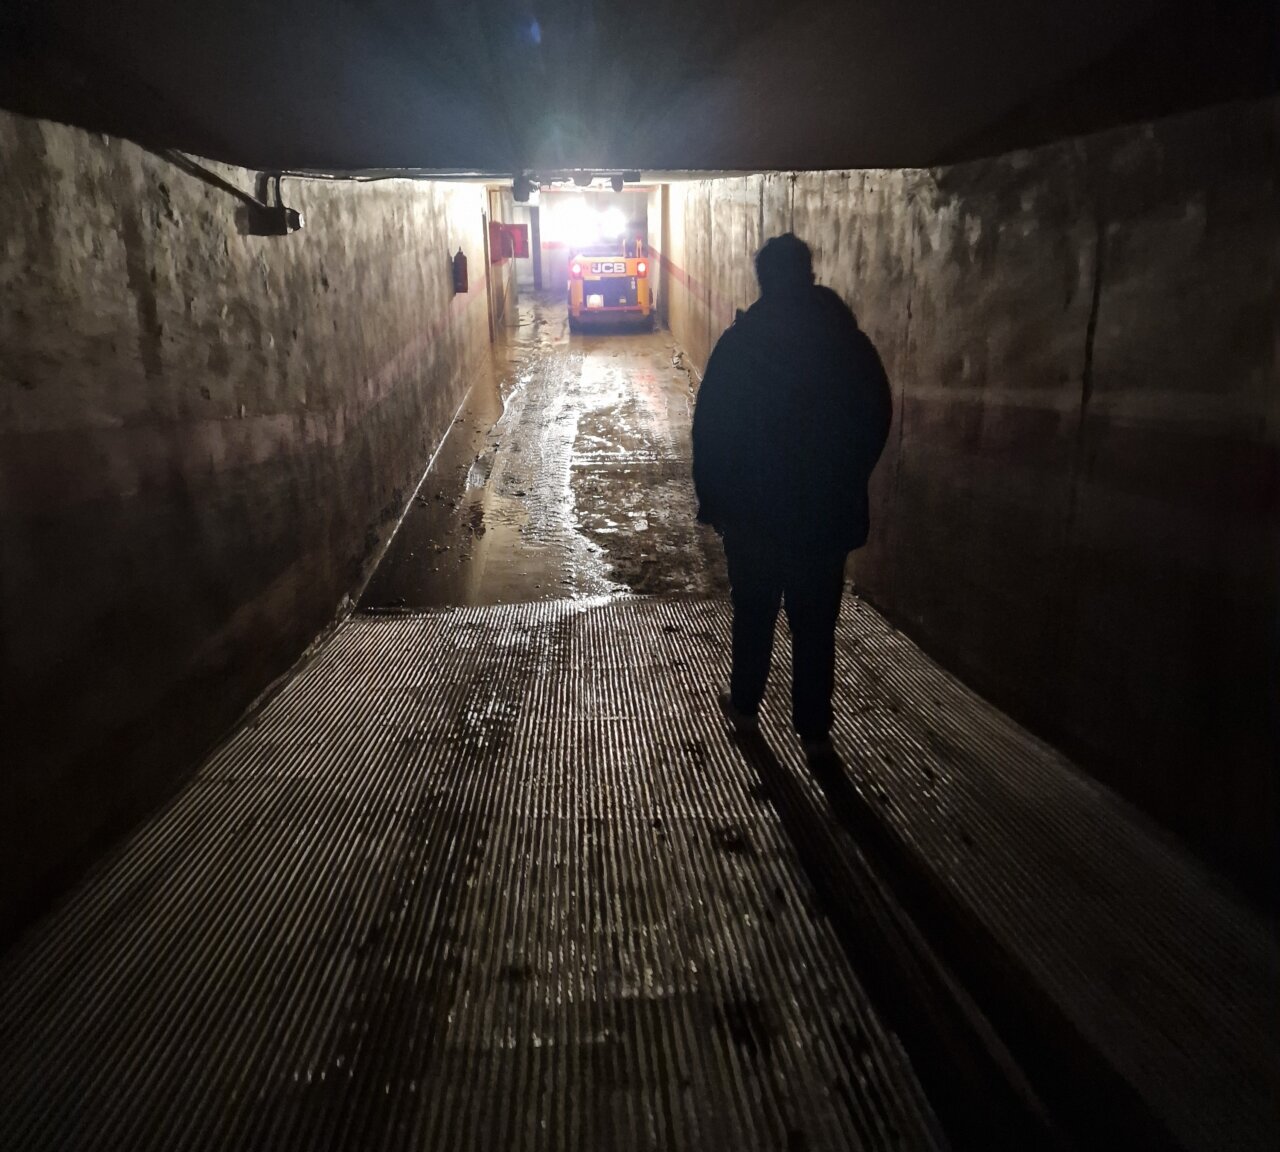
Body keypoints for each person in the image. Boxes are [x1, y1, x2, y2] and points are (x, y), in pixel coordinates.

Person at [692, 233, 892, 756]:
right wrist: (848, 482)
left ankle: (745, 706)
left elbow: (711, 425)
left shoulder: (741, 343)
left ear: (763, 279)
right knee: (815, 623)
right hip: (824, 517)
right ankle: (814, 731)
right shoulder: (849, 344)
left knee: (754, 613)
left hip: (754, 515)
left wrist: (714, 501)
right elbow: (875, 419)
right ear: (810, 273)